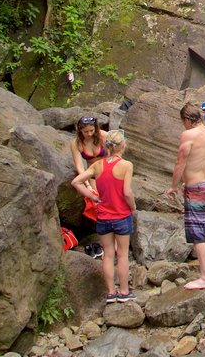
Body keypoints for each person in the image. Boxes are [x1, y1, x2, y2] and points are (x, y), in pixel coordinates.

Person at [71, 130, 136, 303]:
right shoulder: (126, 165)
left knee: (108, 254)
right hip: (121, 215)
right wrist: (133, 207)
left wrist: (92, 195)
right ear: (123, 146)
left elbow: (76, 181)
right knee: (122, 255)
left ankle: (111, 292)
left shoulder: (97, 165)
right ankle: (124, 292)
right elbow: (127, 192)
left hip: (103, 215)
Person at [165, 104, 205, 290]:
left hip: (195, 188)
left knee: (198, 233)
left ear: (187, 120)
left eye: (183, 122)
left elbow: (179, 162)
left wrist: (173, 186)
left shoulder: (188, 135)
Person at [70, 116, 108, 192]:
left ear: (95, 128)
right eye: (86, 132)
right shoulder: (76, 143)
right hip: (92, 174)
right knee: (97, 198)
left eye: (91, 130)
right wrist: (87, 185)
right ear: (80, 130)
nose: (89, 134)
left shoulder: (103, 135)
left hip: (107, 170)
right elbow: (79, 166)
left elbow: (116, 151)